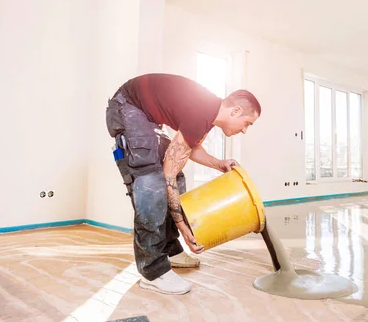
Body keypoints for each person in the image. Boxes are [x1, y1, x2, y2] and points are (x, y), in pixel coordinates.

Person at [105, 73, 261, 295]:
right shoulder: (202, 111)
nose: (244, 130)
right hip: (127, 105)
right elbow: (167, 173)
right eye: (247, 123)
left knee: (176, 177)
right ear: (235, 111)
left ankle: (170, 249)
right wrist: (184, 227)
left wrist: (219, 164)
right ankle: (153, 271)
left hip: (145, 115)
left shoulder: (207, 113)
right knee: (152, 182)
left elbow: (190, 148)